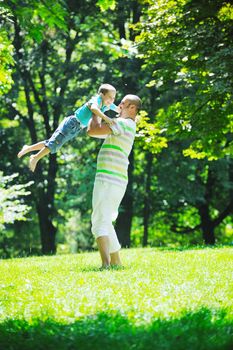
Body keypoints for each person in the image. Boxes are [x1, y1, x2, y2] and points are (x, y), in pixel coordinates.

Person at [87, 94, 142, 269]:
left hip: (108, 178)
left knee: (98, 221)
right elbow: (96, 132)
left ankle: (106, 265)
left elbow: (92, 130)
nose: (118, 105)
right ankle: (116, 261)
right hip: (115, 179)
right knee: (105, 219)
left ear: (132, 108)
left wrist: (95, 108)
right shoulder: (124, 126)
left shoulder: (124, 124)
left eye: (123, 103)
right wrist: (99, 111)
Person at [17, 84, 119, 172]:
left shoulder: (107, 104)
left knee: (52, 142)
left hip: (77, 128)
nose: (111, 100)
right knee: (55, 144)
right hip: (72, 123)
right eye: (110, 97)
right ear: (102, 94)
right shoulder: (96, 100)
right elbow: (94, 109)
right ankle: (35, 158)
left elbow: (118, 109)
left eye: (113, 98)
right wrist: (106, 118)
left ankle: (28, 148)